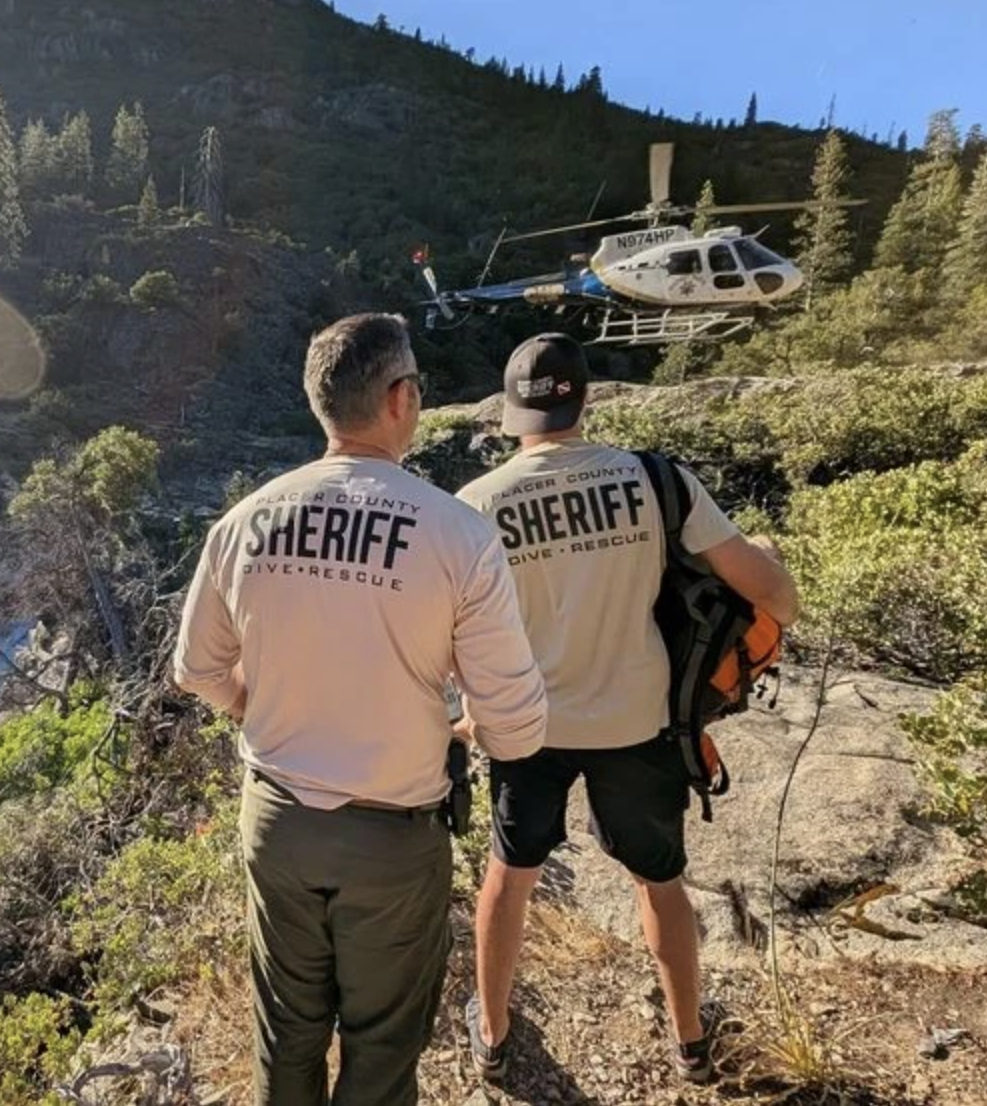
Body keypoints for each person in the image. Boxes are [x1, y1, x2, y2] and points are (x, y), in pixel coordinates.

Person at [174, 313, 549, 1105]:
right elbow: (517, 727)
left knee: (286, 1035)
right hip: (393, 839)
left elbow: (195, 668)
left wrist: (254, 708)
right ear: (401, 398)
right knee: (381, 1052)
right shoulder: (458, 535)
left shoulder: (244, 522)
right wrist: (466, 727)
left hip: (276, 822)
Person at [455, 333, 800, 1086]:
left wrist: (469, 715)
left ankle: (494, 1035)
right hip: (641, 723)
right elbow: (776, 596)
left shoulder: (473, 508)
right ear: (585, 399)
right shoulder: (656, 481)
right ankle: (690, 1041)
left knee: (510, 875)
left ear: (512, 414)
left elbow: (452, 635)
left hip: (527, 726)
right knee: (659, 881)